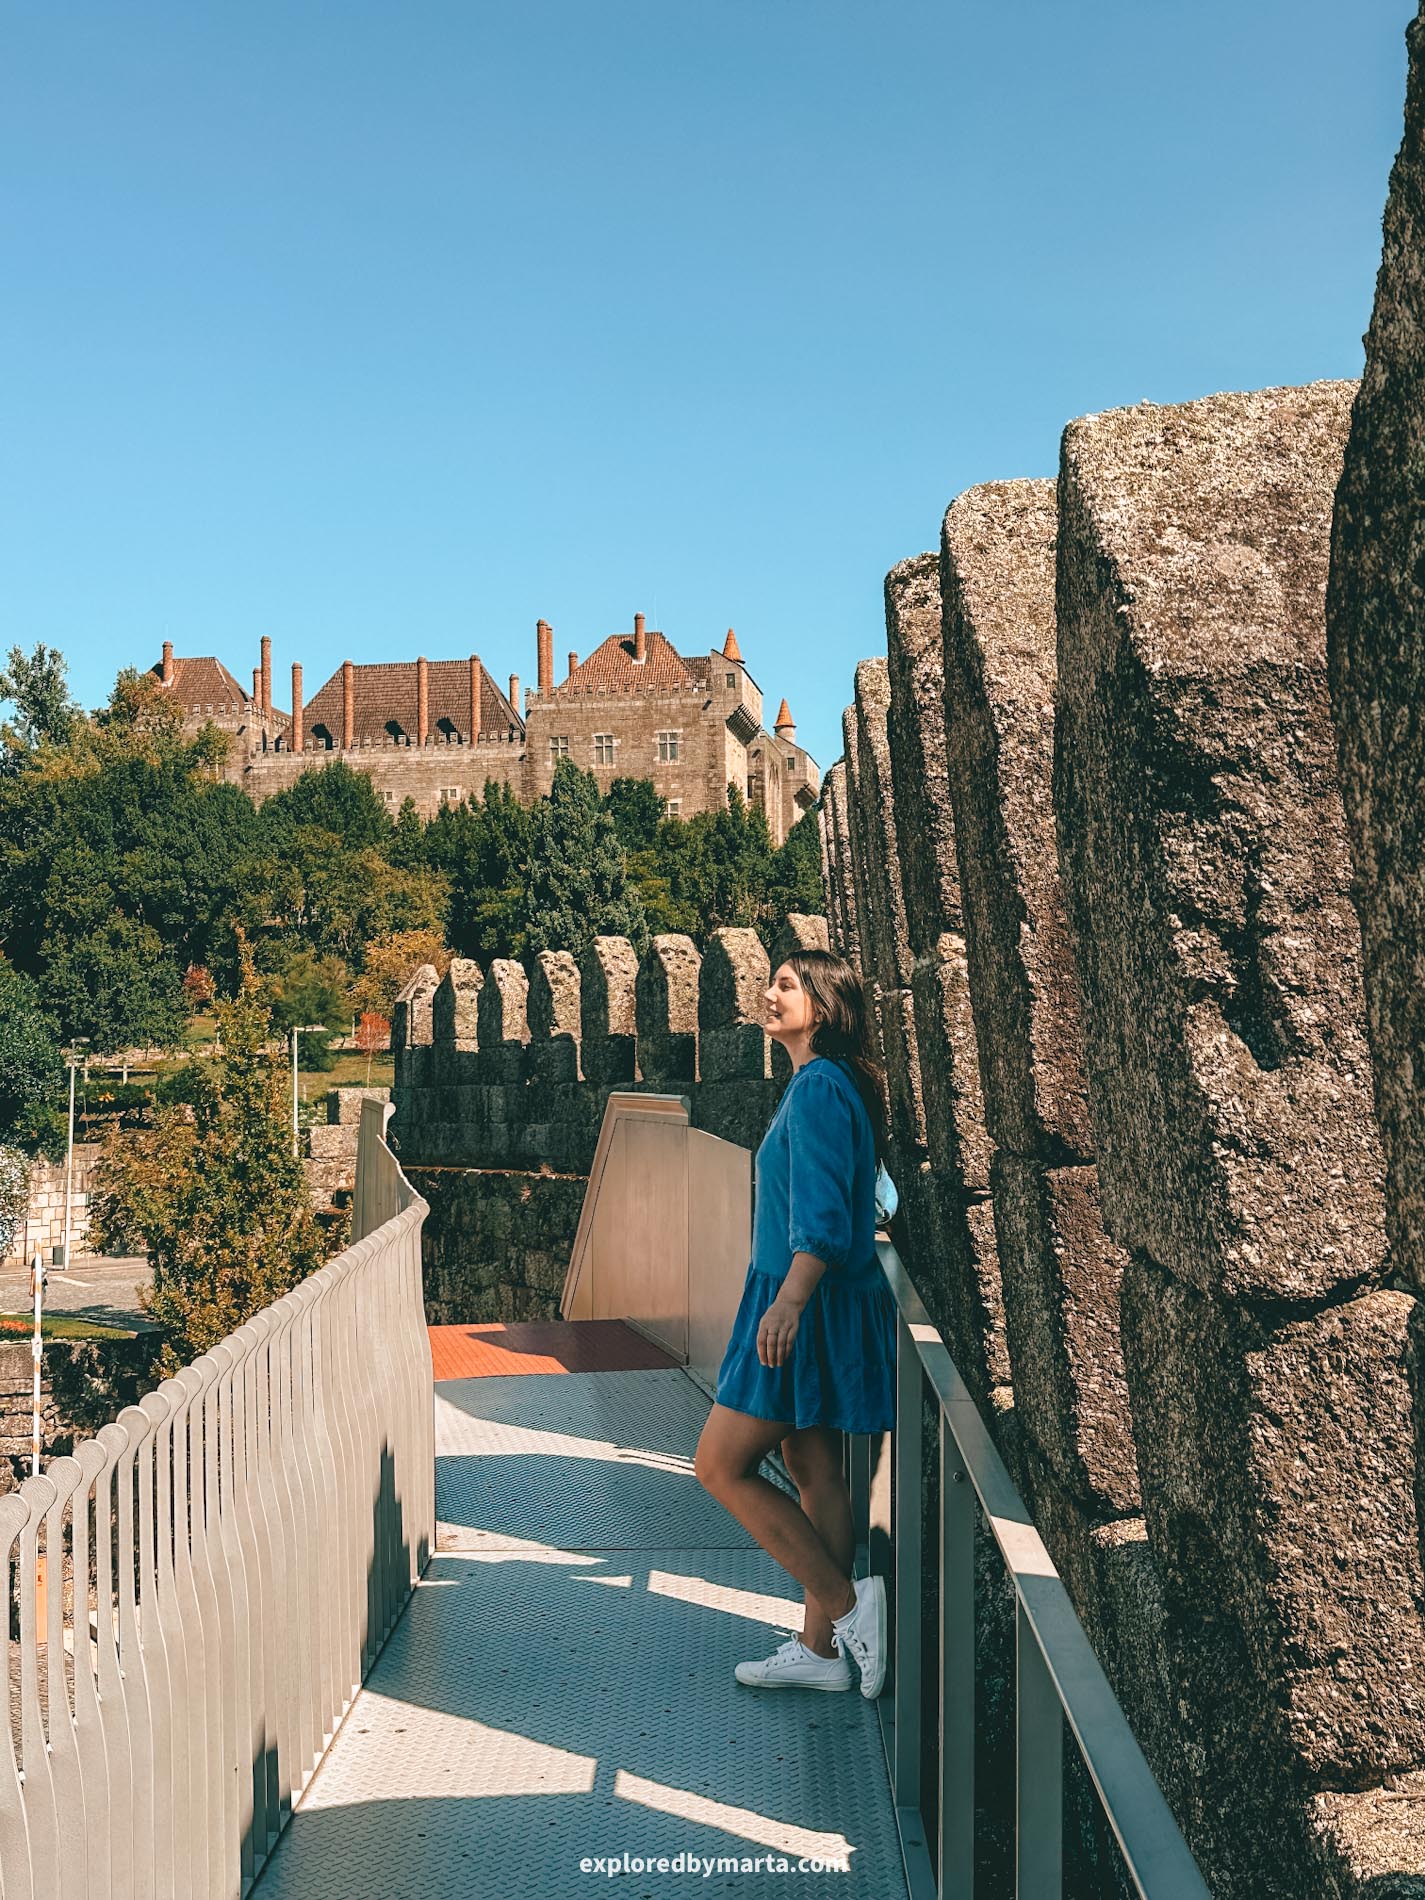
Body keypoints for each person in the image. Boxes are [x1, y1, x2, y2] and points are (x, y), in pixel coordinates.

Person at [693, 948, 895, 1697]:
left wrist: (789, 1302)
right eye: (770, 981)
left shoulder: (817, 1089)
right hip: (813, 1298)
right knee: (815, 1471)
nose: (769, 993)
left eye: (787, 984)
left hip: (798, 1303)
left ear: (824, 1006)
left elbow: (821, 1214)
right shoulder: (831, 1084)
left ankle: (846, 1608)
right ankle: (819, 1652)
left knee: (719, 1466)